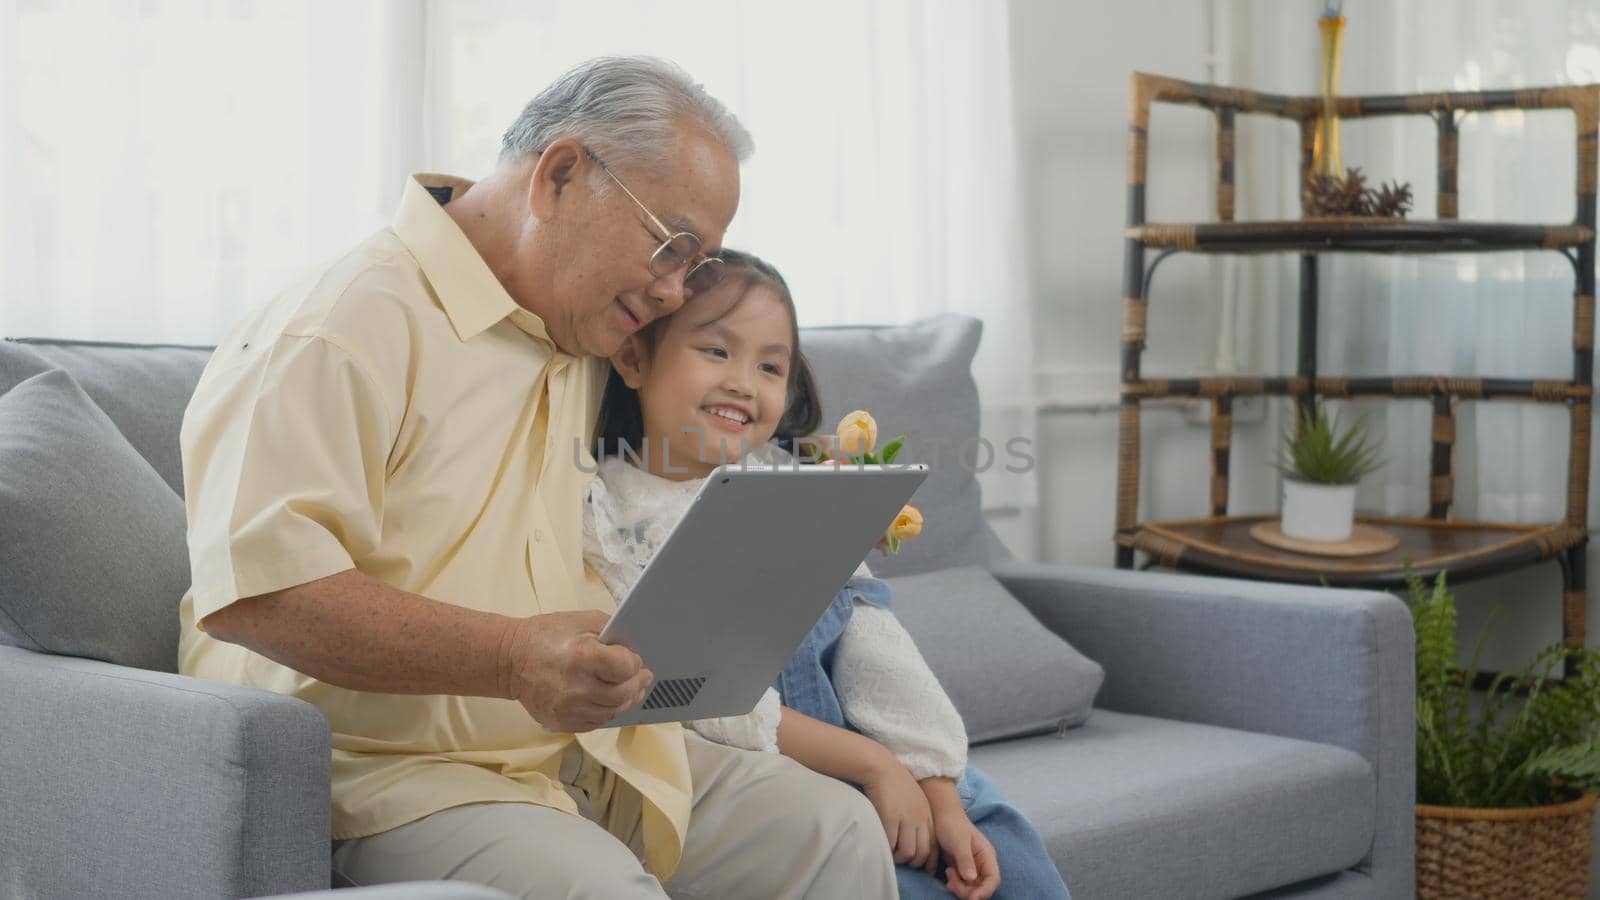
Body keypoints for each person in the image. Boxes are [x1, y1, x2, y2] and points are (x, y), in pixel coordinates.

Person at [176, 56, 896, 899]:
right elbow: (259, 594)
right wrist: (515, 656)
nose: (673, 293)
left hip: (588, 749)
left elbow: (696, 446)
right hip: (397, 779)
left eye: (695, 266)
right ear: (559, 175)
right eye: (670, 247)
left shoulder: (583, 330)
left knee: (833, 832)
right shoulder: (339, 326)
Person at [584, 250, 1071, 900]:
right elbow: (705, 700)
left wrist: (937, 785)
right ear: (635, 358)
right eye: (716, 351)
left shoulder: (795, 487)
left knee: (1001, 840)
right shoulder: (611, 515)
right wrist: (870, 767)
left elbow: (874, 641)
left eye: (769, 365)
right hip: (780, 779)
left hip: (876, 756)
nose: (743, 382)